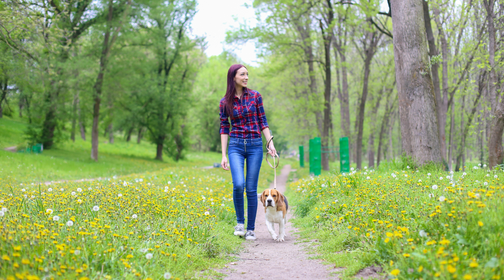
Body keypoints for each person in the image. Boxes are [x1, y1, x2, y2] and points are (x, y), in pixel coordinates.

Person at [219, 64, 277, 240]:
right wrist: (223, 155)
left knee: (251, 189)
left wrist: (270, 143)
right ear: (233, 77)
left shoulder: (255, 96)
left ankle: (251, 229)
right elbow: (224, 128)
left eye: (247, 74)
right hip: (235, 145)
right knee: (238, 184)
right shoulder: (224, 102)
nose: (246, 77)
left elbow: (263, 122)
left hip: (254, 146)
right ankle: (240, 223)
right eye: (242, 74)